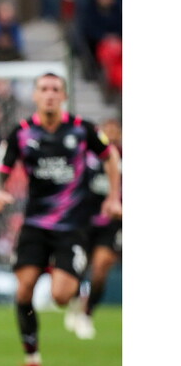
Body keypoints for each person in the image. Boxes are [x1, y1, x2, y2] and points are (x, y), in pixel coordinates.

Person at [0, 73, 121, 366]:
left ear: (64, 96)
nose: (49, 94)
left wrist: (113, 197)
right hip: (35, 224)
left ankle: (62, 278)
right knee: (24, 289)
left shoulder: (83, 129)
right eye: (44, 89)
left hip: (72, 226)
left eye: (55, 89)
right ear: (35, 95)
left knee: (61, 296)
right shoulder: (21, 132)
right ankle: (32, 359)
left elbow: (110, 156)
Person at [72, 117, 122, 339]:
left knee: (101, 267)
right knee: (77, 268)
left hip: (110, 223)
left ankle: (87, 313)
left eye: (114, 130)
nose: (110, 134)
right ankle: (75, 301)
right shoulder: (85, 155)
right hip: (83, 220)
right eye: (106, 130)